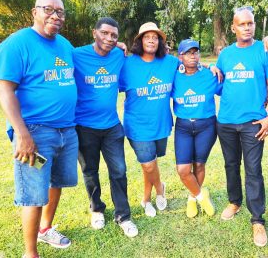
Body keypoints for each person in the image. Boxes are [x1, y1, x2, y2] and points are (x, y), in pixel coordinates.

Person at [0, 0, 77, 258]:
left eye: (60, 12)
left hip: (66, 132)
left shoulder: (64, 45)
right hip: (36, 134)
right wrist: (22, 134)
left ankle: (46, 229)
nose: (55, 16)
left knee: (56, 182)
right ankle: (30, 253)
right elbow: (4, 90)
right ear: (34, 12)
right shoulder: (17, 44)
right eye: (48, 10)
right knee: (34, 191)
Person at [216, 6, 268, 247]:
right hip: (226, 122)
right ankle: (234, 201)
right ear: (233, 28)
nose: (247, 27)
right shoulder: (225, 55)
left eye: (250, 23)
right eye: (241, 24)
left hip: (254, 123)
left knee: (253, 169)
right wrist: (213, 69)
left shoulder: (265, 50)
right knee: (231, 165)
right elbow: (220, 78)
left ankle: (257, 219)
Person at [73, 17, 138, 238]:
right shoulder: (77, 55)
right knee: (90, 171)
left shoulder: (119, 55)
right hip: (84, 126)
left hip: (112, 126)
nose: (109, 39)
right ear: (94, 33)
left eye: (114, 36)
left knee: (119, 171)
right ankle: (97, 209)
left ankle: (124, 216)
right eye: (105, 34)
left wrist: (120, 46)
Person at [119, 22, 178, 217]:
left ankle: (158, 188)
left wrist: (210, 66)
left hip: (161, 124)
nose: (151, 40)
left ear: (160, 42)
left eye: (155, 37)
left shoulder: (170, 62)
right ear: (139, 40)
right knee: (148, 164)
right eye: (147, 36)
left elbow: (190, 65)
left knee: (151, 162)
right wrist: (115, 47)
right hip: (138, 126)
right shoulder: (127, 64)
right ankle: (150, 197)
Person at [171, 39, 221, 218]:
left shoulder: (210, 75)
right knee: (183, 169)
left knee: (199, 164)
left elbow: (228, 89)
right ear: (180, 56)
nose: (193, 55)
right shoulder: (174, 75)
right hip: (183, 126)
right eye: (188, 52)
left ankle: (192, 199)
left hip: (206, 125)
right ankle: (201, 196)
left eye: (195, 52)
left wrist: (212, 67)